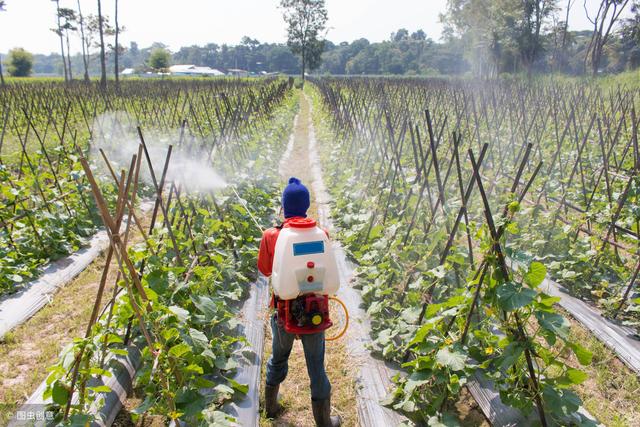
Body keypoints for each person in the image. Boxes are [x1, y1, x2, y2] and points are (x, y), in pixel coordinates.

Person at [258, 177, 342, 427]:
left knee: (278, 357)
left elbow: (264, 270)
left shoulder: (272, 235)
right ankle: (324, 421)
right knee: (316, 365)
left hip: (283, 313)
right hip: (315, 312)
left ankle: (271, 408)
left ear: (284, 207)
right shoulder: (322, 234)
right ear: (306, 206)